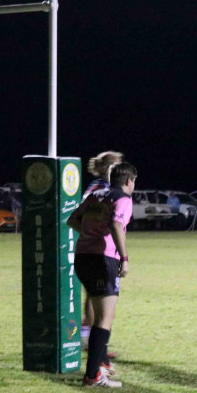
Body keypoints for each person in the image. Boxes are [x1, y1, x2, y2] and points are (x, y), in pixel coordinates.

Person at [67, 161, 138, 388]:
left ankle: (101, 365)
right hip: (103, 259)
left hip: (82, 257)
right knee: (105, 319)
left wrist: (90, 235)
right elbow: (117, 225)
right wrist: (124, 259)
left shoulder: (96, 196)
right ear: (129, 181)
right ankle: (92, 376)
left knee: (98, 315)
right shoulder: (123, 199)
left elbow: (72, 219)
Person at [80, 151, 124, 353]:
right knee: (98, 295)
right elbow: (82, 213)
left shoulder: (105, 187)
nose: (119, 168)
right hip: (98, 250)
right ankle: (94, 343)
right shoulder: (99, 188)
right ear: (107, 167)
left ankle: (90, 338)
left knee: (93, 294)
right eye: (116, 164)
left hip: (98, 248)